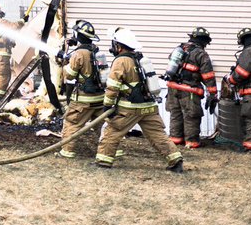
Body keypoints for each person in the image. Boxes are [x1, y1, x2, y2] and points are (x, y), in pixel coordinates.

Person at [94, 28, 184, 173]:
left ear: (119, 45)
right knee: (157, 134)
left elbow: (113, 86)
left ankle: (103, 161)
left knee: (112, 131)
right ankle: (175, 160)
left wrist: (107, 105)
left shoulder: (121, 61)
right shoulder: (140, 58)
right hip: (149, 106)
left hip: (128, 108)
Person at [164, 27, 218, 149]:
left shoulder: (179, 49)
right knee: (191, 116)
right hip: (189, 91)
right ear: (204, 41)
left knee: (175, 114)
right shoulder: (201, 54)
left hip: (172, 88)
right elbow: (208, 76)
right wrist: (213, 94)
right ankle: (191, 142)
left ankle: (176, 140)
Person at [57, 20, 104, 159]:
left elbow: (70, 75)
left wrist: (66, 61)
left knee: (72, 122)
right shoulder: (95, 51)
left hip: (84, 98)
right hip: (99, 97)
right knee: (102, 125)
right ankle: (111, 150)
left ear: (78, 35)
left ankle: (67, 151)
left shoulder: (78, 54)